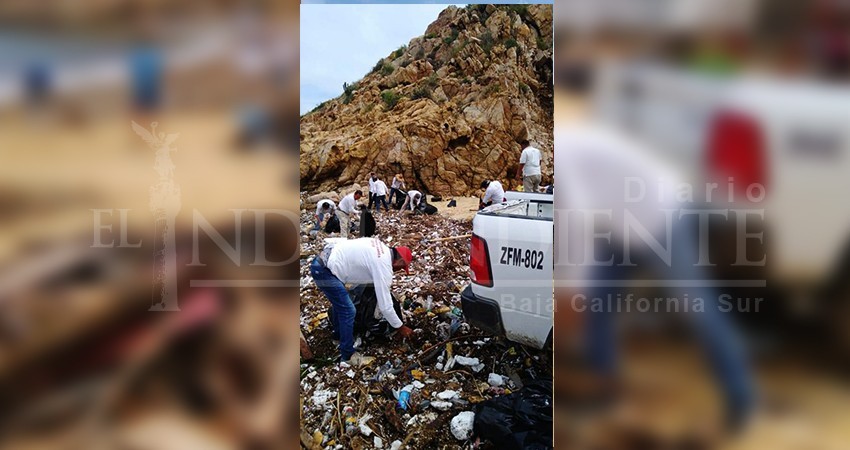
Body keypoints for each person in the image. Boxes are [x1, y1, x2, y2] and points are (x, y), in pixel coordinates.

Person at [309, 238, 415, 365]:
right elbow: (385, 306)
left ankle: (338, 337)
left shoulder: (379, 246)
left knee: (341, 306)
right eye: (402, 267)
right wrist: (400, 327)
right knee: (348, 311)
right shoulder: (384, 264)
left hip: (323, 261)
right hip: (325, 271)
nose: (399, 270)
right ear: (399, 261)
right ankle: (348, 356)